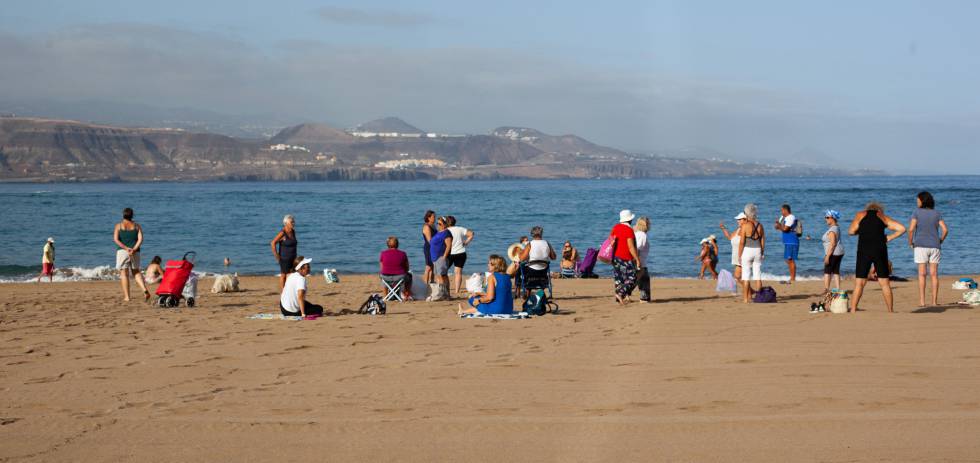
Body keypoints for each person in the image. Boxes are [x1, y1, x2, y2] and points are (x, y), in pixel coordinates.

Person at [849, 202, 907, 313]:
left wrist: (861, 231)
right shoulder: (882, 216)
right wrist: (890, 237)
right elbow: (902, 228)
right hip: (880, 250)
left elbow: (851, 231)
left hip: (864, 250)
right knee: (884, 283)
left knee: (859, 283)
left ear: (867, 209)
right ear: (879, 210)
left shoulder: (860, 214)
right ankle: (890, 310)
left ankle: (853, 309)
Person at [908, 191, 949, 307]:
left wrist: (910, 242)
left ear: (922, 200)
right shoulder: (937, 213)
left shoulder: (916, 212)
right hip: (935, 245)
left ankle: (922, 302)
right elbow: (945, 230)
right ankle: (934, 302)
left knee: (921, 274)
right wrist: (941, 240)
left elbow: (911, 229)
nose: (917, 201)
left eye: (918, 200)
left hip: (920, 245)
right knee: (934, 274)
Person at [113, 208, 151, 302]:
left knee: (124, 274)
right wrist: (133, 249)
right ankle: (144, 290)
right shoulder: (137, 226)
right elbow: (140, 239)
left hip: (122, 252)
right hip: (135, 252)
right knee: (136, 272)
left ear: (123, 215)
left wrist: (126, 248)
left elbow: (116, 239)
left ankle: (127, 297)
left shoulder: (119, 225)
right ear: (132, 215)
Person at [608, 209, 641, 305]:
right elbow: (630, 247)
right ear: (630, 220)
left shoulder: (616, 227)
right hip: (626, 257)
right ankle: (620, 293)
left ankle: (619, 298)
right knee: (632, 278)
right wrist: (637, 259)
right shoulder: (629, 230)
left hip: (615, 257)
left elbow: (610, 239)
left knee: (619, 278)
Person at [738, 203, 766, 304]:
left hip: (747, 250)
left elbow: (742, 242)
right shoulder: (760, 225)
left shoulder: (745, 226)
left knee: (746, 276)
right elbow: (762, 239)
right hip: (757, 250)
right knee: (757, 275)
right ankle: (759, 298)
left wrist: (739, 255)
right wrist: (762, 251)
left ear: (747, 213)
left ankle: (746, 299)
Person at [518, 226, 557, 296]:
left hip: (531, 273)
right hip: (543, 272)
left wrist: (520, 253)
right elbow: (554, 257)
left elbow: (522, 259)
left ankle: (526, 291)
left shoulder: (530, 244)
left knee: (520, 268)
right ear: (541, 233)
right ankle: (541, 290)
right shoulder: (547, 243)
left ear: (532, 234)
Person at [446, 216, 474, 297]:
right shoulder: (460, 229)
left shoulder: (446, 230)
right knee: (458, 272)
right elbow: (471, 234)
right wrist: (466, 242)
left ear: (447, 223)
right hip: (461, 252)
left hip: (450, 253)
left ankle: (446, 289)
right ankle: (457, 291)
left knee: (443, 272)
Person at [719, 213, 747, 295]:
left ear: (745, 220)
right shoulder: (738, 229)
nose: (737, 221)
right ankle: (749, 291)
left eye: (739, 219)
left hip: (742, 257)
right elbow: (730, 237)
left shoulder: (746, 229)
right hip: (736, 257)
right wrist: (723, 229)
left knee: (738, 277)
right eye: (737, 219)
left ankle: (749, 291)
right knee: (739, 277)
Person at [379, 236, 413, 300]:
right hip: (399, 278)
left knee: (382, 275)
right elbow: (407, 268)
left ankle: (385, 295)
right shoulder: (403, 254)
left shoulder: (383, 253)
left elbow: (382, 269)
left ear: (387, 245)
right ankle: (407, 295)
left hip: (386, 278)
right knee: (409, 276)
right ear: (397, 244)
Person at [270, 215, 298, 291]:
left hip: (293, 257)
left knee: (292, 275)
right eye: (291, 222)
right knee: (284, 275)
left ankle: (289, 290)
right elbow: (272, 243)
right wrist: (276, 255)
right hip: (284, 258)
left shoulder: (293, 231)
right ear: (286, 223)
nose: (293, 223)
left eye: (293, 221)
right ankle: (283, 292)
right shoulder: (282, 233)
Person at [773, 204, 799, 284]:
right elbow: (783, 229)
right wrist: (778, 225)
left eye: (782, 210)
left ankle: (793, 278)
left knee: (790, 260)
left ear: (785, 210)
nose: (781, 212)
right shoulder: (787, 218)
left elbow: (785, 229)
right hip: (789, 241)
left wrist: (779, 226)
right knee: (788, 260)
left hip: (792, 241)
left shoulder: (790, 217)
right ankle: (792, 277)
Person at [428, 217, 454, 297]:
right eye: (437, 223)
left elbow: (449, 245)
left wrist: (444, 256)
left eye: (440, 224)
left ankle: (444, 294)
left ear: (445, 224)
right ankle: (444, 293)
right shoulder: (439, 232)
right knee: (440, 275)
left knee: (442, 275)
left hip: (441, 257)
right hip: (435, 258)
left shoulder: (446, 233)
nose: (438, 225)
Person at [821, 210, 845, 292]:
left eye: (827, 217)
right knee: (836, 271)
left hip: (833, 253)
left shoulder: (832, 230)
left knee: (827, 271)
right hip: (839, 252)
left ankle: (826, 289)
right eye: (825, 217)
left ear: (833, 218)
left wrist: (827, 256)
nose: (825, 219)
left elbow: (833, 243)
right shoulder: (837, 227)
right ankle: (838, 289)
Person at [634, 217, 651, 302]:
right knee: (643, 280)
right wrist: (638, 261)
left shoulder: (636, 233)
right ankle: (644, 298)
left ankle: (644, 298)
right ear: (646, 225)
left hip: (639, 261)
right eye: (649, 224)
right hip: (640, 261)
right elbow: (637, 249)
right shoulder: (642, 235)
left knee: (640, 279)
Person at [421, 210, 437, 285]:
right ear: (428, 217)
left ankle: (432, 281)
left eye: (435, 216)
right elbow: (429, 240)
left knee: (433, 266)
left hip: (434, 248)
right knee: (428, 267)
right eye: (433, 217)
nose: (435, 218)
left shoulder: (433, 226)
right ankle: (425, 284)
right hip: (429, 248)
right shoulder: (426, 226)